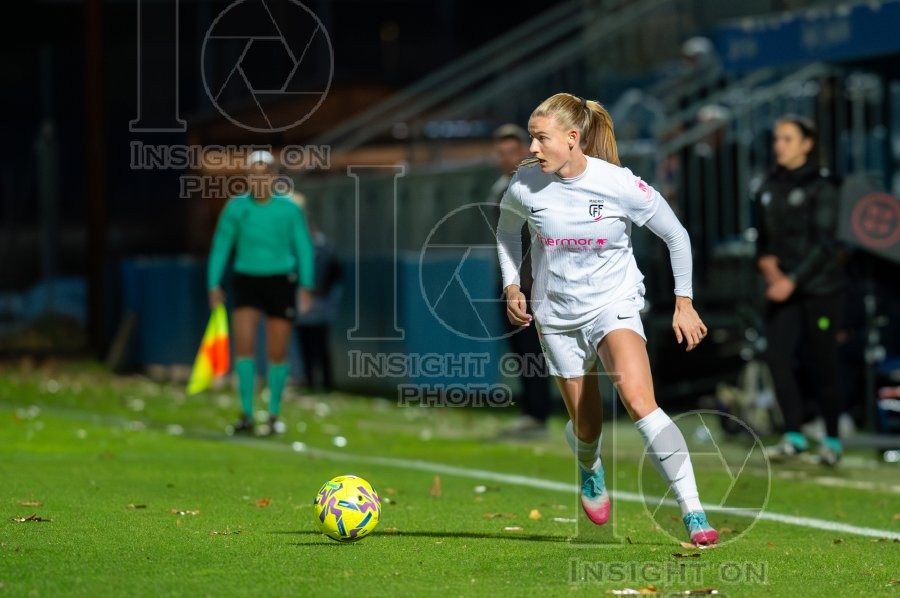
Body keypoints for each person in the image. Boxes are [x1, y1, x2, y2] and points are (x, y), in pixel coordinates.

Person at [496, 93, 718, 546]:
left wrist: (684, 301)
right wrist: (512, 285)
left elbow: (676, 235)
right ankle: (589, 468)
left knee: (640, 400)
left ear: (573, 138)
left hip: (613, 302)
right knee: (587, 426)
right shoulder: (524, 186)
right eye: (532, 138)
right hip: (556, 315)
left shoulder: (619, 184)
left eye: (541, 138)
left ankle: (693, 510)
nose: (532, 148)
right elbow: (504, 231)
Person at [755, 115, 846, 466]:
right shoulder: (767, 184)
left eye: (788, 139)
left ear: (807, 144)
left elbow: (825, 244)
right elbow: (761, 239)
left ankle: (832, 439)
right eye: (777, 138)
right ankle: (793, 434)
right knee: (777, 357)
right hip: (782, 288)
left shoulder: (823, 185)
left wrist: (790, 279)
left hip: (820, 288)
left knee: (821, 361)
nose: (779, 145)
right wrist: (766, 265)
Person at [207, 150, 315, 435]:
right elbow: (221, 246)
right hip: (247, 280)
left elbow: (303, 246)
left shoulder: (289, 208)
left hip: (280, 280)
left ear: (274, 177)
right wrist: (213, 283)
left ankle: (273, 414)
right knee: (243, 345)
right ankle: (246, 412)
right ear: (247, 178)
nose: (259, 180)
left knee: (277, 351)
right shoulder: (236, 208)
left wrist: (306, 285)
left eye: (264, 174)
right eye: (253, 175)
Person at [489, 124, 554, 439]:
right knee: (520, 348)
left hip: (528, 283)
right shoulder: (504, 185)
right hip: (509, 280)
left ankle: (538, 412)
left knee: (532, 350)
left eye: (512, 151)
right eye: (502, 153)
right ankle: (531, 409)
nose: (507, 158)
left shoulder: (535, 185)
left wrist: (527, 283)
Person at [293, 210, 343, 393]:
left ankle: (327, 383)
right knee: (305, 344)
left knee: (321, 345)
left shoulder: (326, 248)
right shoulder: (295, 248)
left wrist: (324, 295)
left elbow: (336, 275)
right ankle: (310, 381)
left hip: (322, 307)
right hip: (303, 308)